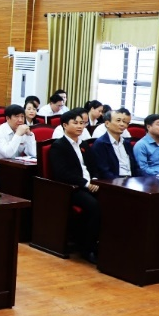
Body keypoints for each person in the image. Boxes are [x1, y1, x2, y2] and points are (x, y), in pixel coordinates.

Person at [47, 108, 100, 264]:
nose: (80, 126)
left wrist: (95, 180)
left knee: (113, 200)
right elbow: (62, 174)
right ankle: (87, 248)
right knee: (94, 206)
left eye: (82, 123)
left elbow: (93, 166)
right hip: (72, 189)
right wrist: (86, 184)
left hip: (91, 185)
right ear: (65, 125)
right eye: (75, 123)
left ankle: (101, 244)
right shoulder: (59, 146)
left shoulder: (83, 144)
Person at [0, 104, 36, 187]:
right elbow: (8, 154)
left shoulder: (23, 131)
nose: (20, 120)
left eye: (22, 117)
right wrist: (18, 134)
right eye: (17, 116)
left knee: (32, 183)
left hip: (15, 168)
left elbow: (33, 154)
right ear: (7, 118)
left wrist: (30, 135)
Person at [91, 108, 137, 179]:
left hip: (130, 180)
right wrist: (119, 181)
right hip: (113, 182)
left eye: (124, 121)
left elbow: (135, 167)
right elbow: (104, 172)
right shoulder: (100, 144)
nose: (122, 124)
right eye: (118, 120)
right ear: (107, 123)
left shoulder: (126, 143)